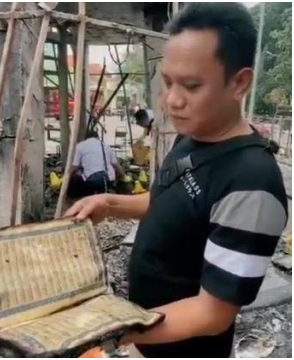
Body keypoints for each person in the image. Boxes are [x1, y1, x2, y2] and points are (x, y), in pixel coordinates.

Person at [66, 3, 288, 358]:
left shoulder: (251, 185)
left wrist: (106, 333)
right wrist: (108, 204)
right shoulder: (192, 136)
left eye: (192, 85)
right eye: (167, 82)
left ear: (240, 83)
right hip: (148, 336)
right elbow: (167, 204)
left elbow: (212, 313)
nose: (171, 101)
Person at [69, 129, 124, 199]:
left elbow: (75, 166)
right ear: (98, 137)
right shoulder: (106, 146)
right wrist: (123, 175)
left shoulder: (80, 146)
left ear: (86, 138)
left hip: (90, 180)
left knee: (75, 182)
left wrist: (66, 176)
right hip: (106, 180)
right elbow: (116, 165)